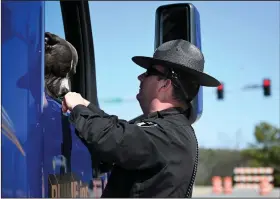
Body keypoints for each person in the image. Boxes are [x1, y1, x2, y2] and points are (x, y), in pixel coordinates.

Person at [62, 39, 221, 198]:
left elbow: (114, 138)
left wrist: (78, 108)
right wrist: (87, 106)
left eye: (149, 72)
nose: (140, 77)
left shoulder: (167, 135)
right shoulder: (169, 130)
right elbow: (125, 130)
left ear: (165, 84)